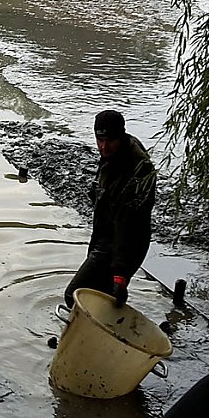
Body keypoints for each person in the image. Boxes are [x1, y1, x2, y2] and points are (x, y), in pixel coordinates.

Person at [64, 110, 156, 309]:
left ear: (121, 136)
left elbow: (129, 226)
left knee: (74, 296)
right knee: (100, 299)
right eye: (100, 140)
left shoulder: (139, 171)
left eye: (109, 141)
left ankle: (94, 335)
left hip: (126, 243)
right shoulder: (113, 151)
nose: (103, 146)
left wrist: (120, 275)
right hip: (105, 234)